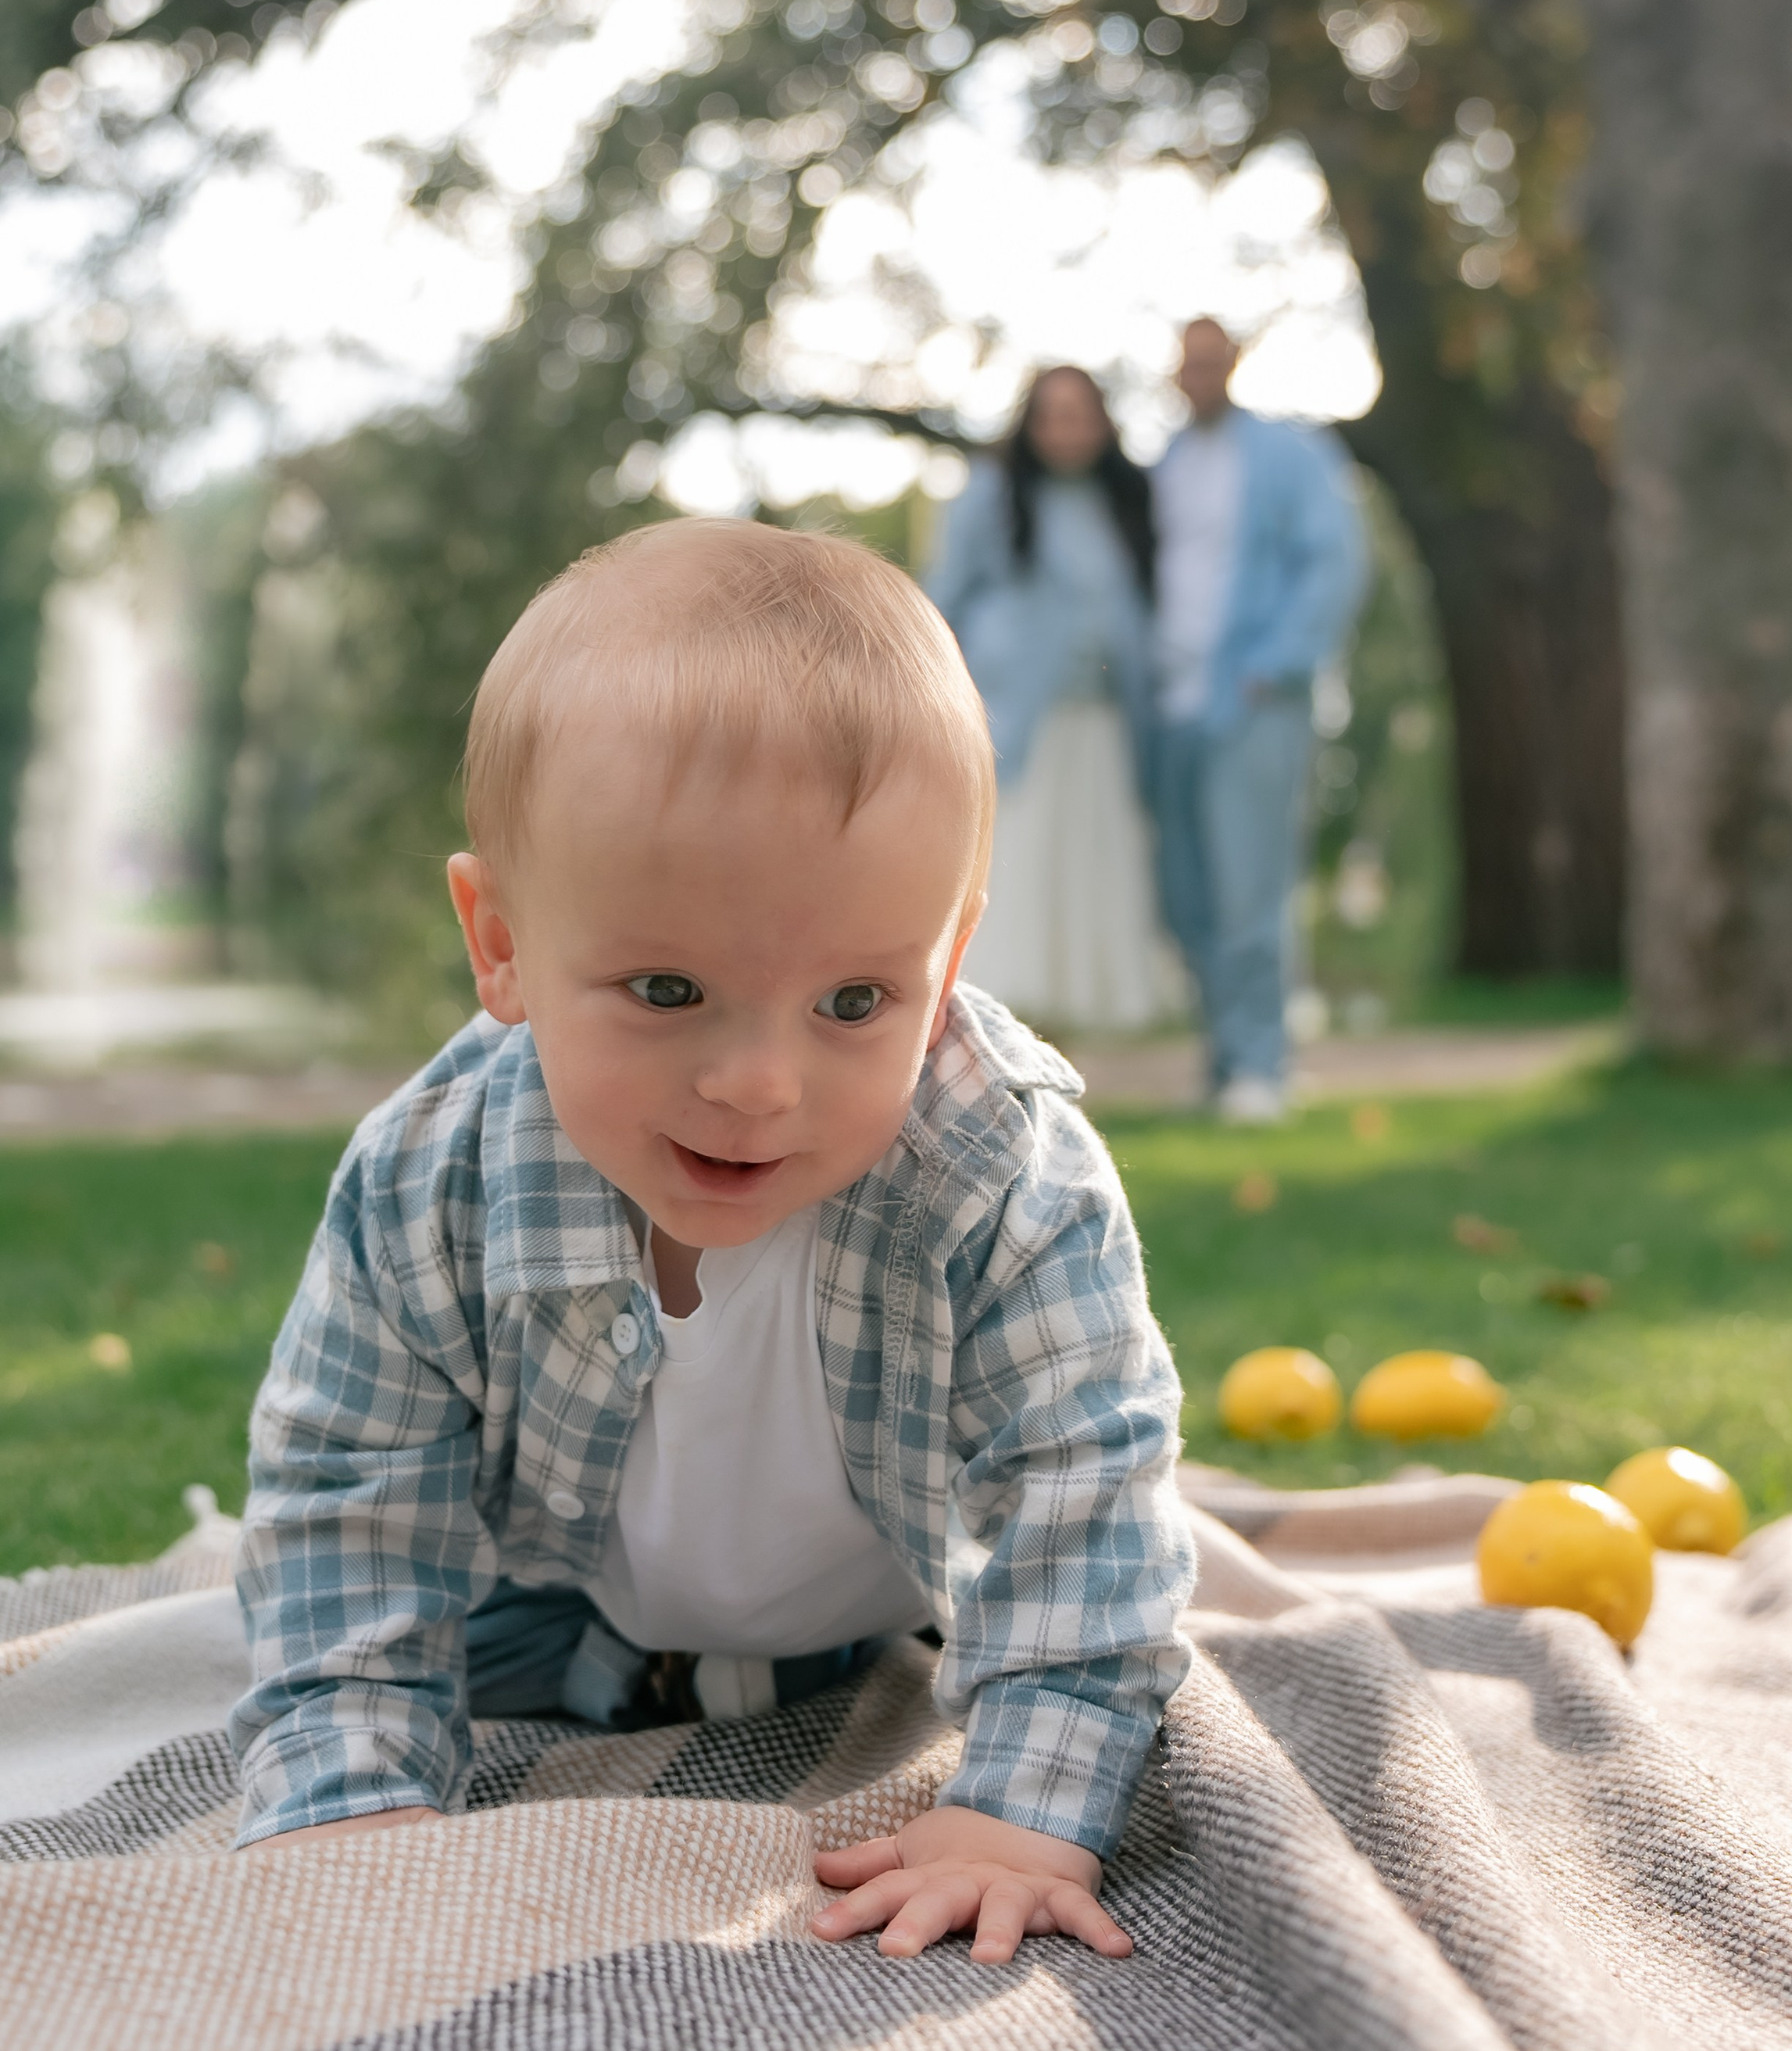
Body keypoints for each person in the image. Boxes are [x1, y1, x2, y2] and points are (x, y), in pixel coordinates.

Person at [229, 518, 1196, 1969]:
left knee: (1089, 1590)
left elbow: (1086, 1482)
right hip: (552, 1600)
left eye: (855, 1003)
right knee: (380, 1638)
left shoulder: (1003, 1178)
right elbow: (349, 1492)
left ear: (946, 965)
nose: (757, 1084)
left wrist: (1020, 1815)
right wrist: (348, 1791)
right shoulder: (434, 1179)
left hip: (887, 1612)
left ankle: (770, 1685)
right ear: (501, 943)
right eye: (668, 989)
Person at [1152, 316, 1372, 1122]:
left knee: (1251, 890)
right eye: (1189, 363)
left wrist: (1272, 667)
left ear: (1234, 364)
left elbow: (1336, 561)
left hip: (1250, 703)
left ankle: (1260, 1066)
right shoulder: (1168, 465)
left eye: (1213, 360)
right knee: (1186, 898)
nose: (1200, 374)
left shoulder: (1289, 456)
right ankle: (1224, 1058)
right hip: (1169, 708)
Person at [926, 364, 1171, 1030]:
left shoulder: (1125, 497)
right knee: (1022, 852)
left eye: (1080, 414)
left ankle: (1096, 1001)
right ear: (1030, 422)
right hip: (1017, 714)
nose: (1067, 429)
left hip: (1105, 713)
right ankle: (1006, 1000)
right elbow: (946, 595)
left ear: (1103, 423)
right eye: (1054, 414)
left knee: (1097, 852)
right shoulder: (990, 493)